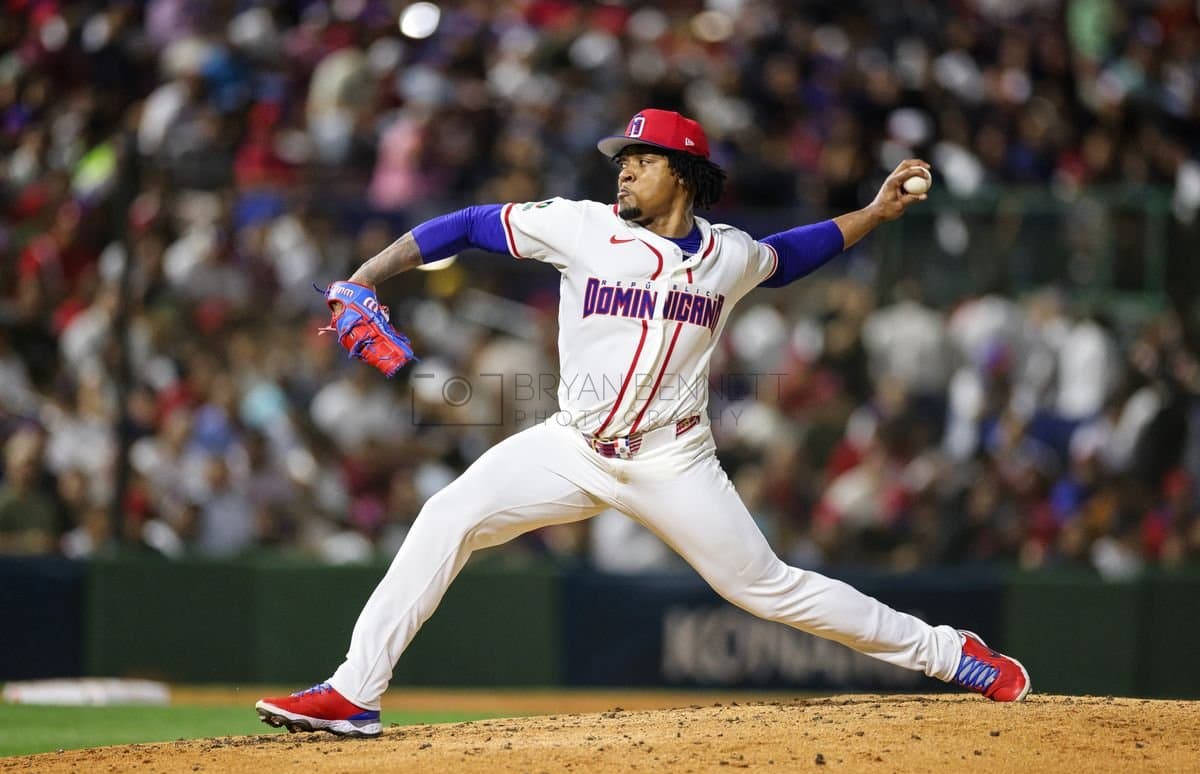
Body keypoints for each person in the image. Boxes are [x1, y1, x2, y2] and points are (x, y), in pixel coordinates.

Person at [256, 109, 1030, 738]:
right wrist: (363, 278)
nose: (623, 167)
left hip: (673, 461)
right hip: (572, 445)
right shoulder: (581, 226)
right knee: (447, 514)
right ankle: (355, 692)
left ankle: (950, 654)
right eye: (621, 157)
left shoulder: (728, 257)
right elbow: (464, 225)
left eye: (643, 157)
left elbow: (793, 254)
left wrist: (874, 210)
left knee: (771, 590)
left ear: (684, 175)